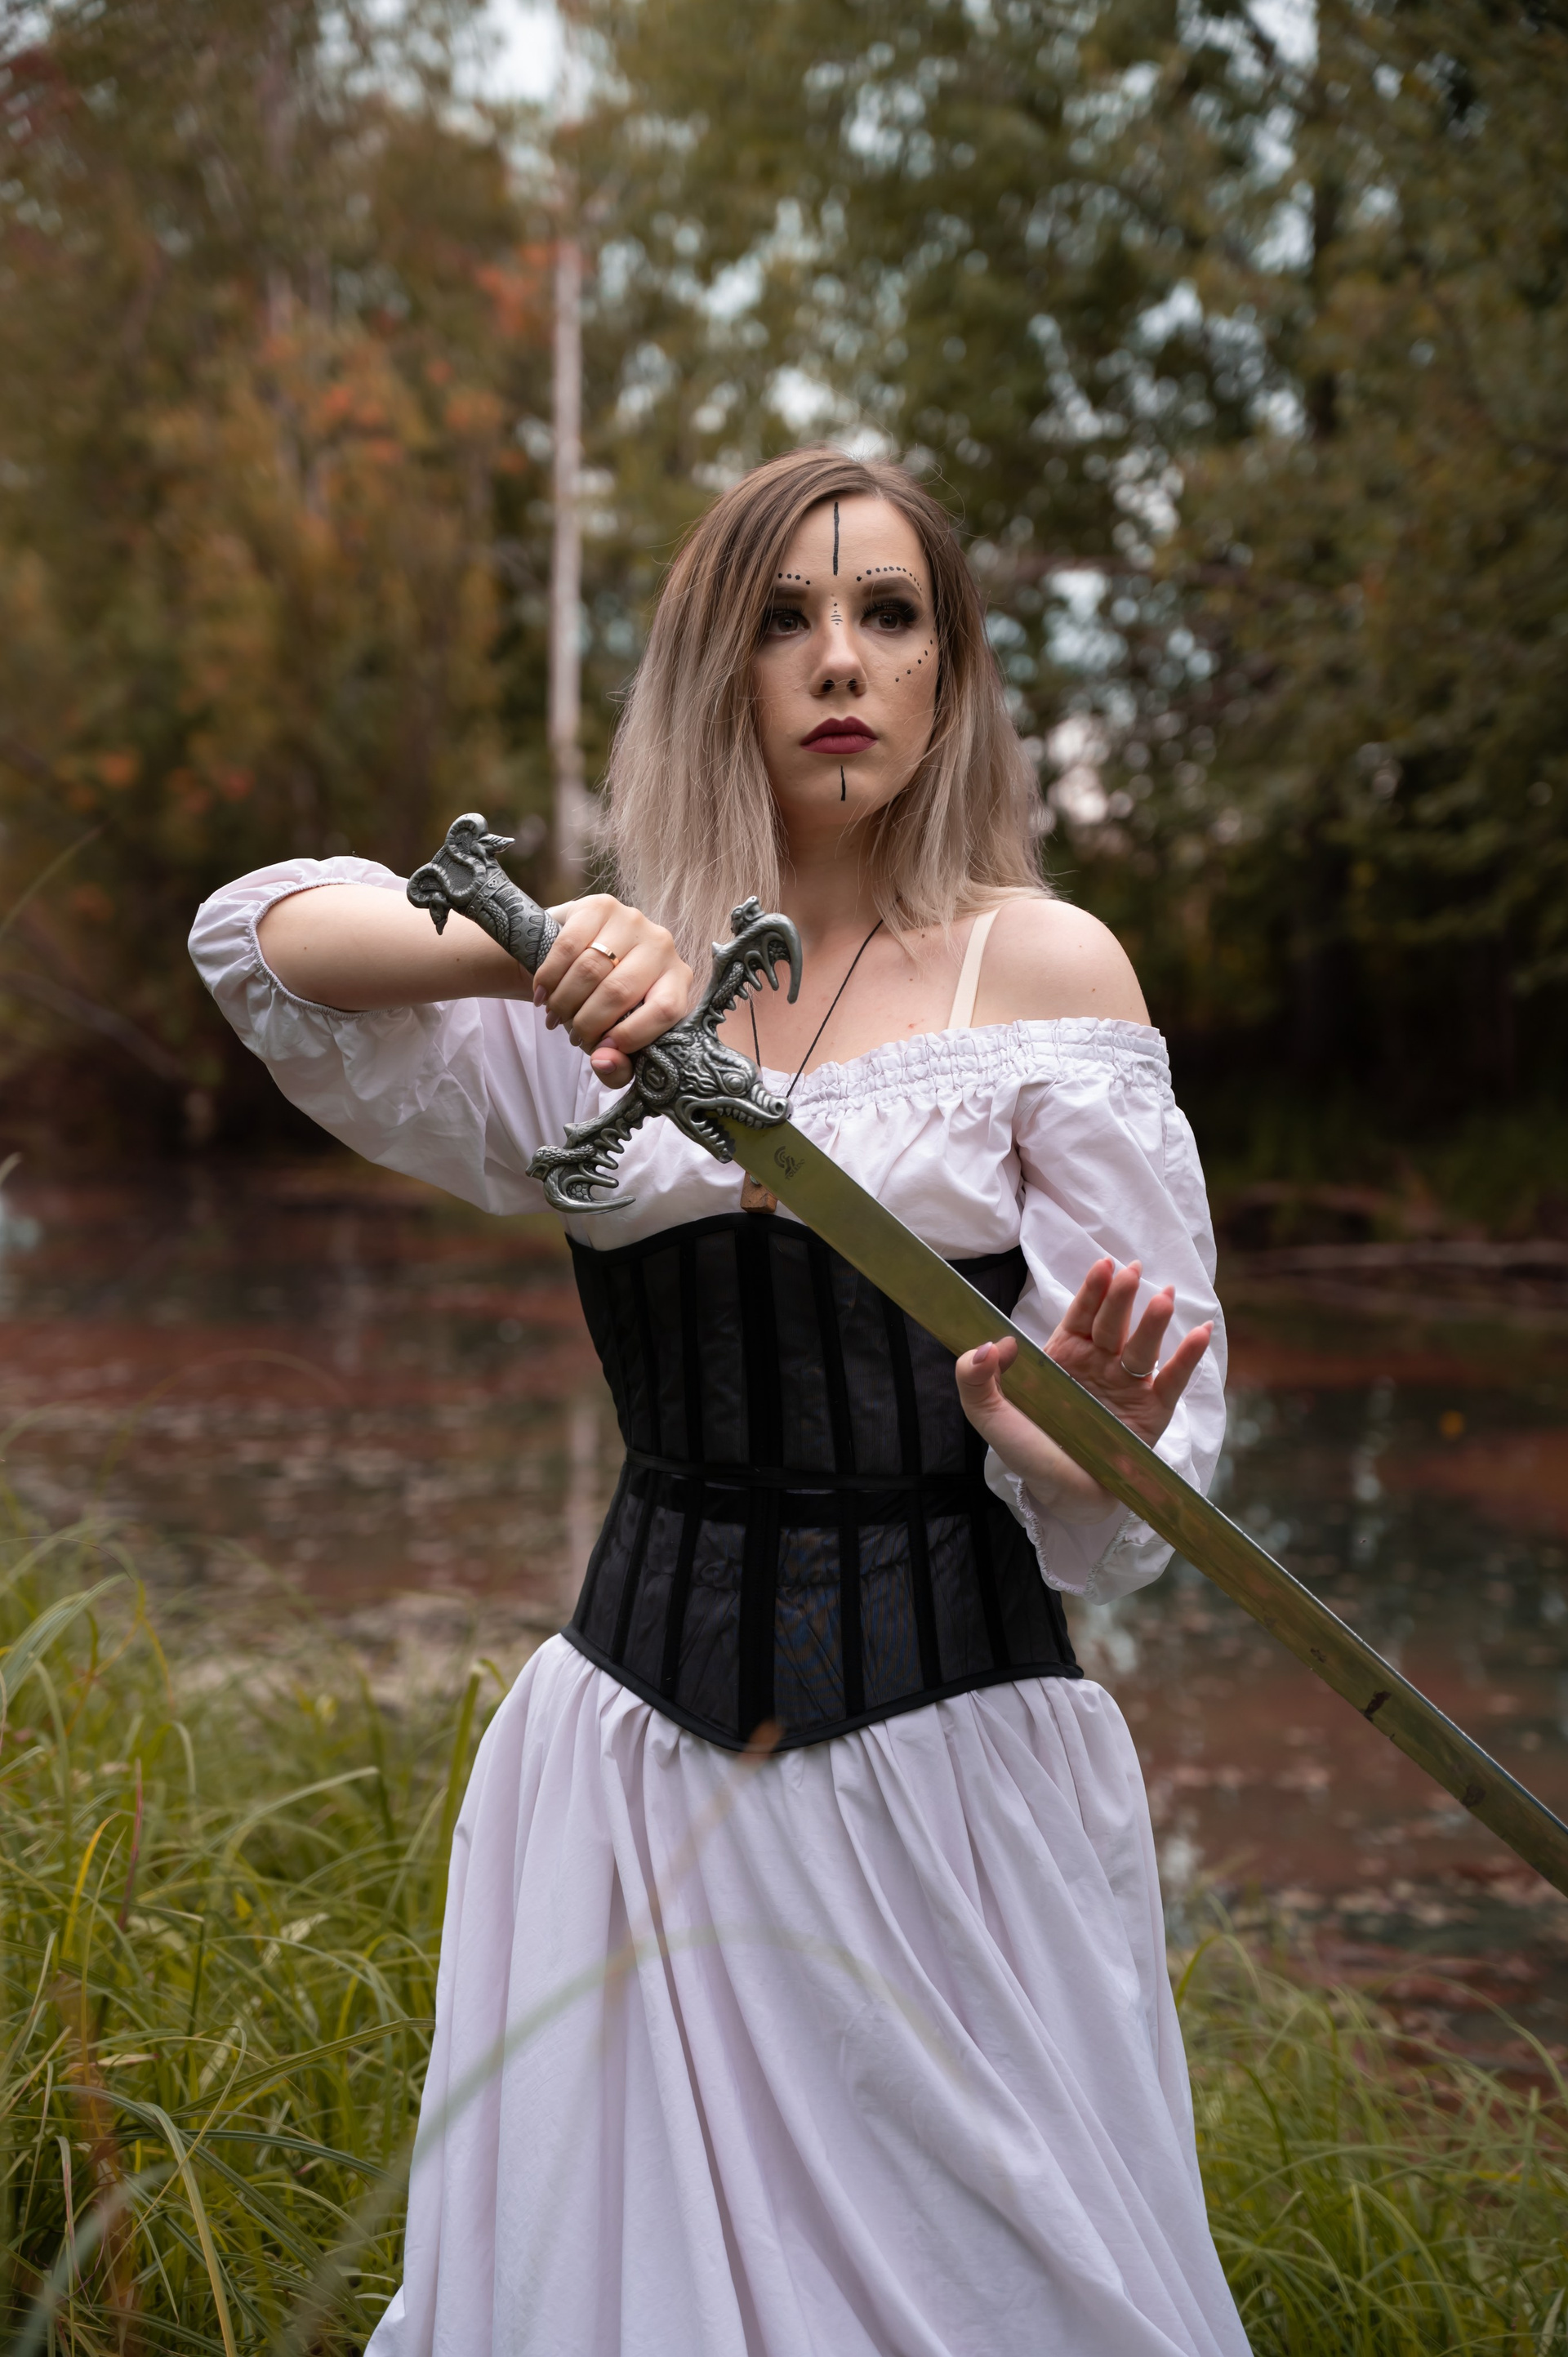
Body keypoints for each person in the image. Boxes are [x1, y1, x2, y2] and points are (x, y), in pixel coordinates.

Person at [189, 446, 1250, 2357]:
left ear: (949, 671)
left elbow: (1142, 1511)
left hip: (948, 1787)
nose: (840, 658)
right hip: (629, 1777)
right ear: (718, 669)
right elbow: (254, 942)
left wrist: (1072, 1444)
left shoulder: (1045, 970)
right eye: (785, 619)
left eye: (889, 614)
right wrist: (530, 941)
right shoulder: (605, 1001)